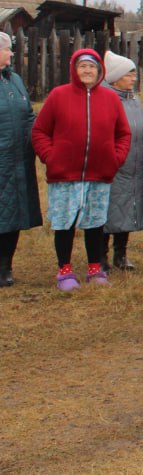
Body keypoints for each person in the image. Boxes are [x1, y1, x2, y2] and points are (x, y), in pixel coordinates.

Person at [31, 49, 130, 290]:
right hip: (64, 175)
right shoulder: (58, 96)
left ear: (100, 71)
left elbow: (123, 134)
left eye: (92, 67)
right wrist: (50, 157)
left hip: (99, 174)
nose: (87, 71)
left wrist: (114, 159)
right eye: (83, 66)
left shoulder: (110, 99)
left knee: (95, 223)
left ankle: (95, 270)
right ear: (74, 70)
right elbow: (39, 131)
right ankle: (64, 272)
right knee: (65, 223)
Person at [0, 31, 42, 287]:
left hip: (18, 160)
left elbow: (27, 115)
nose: (11, 53)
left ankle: (5, 266)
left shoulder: (14, 79)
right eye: (7, 49)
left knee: (13, 214)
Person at [102, 51, 143, 271]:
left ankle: (121, 254)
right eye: (129, 74)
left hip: (135, 165)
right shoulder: (105, 99)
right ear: (116, 76)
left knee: (128, 208)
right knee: (107, 210)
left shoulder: (134, 100)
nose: (133, 78)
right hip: (113, 165)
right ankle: (101, 256)